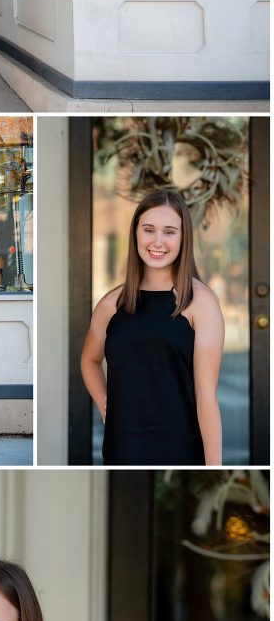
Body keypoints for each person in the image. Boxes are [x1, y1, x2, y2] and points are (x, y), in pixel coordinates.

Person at [80, 188, 225, 465]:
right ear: (136, 233)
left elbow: (206, 395)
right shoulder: (112, 304)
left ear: (183, 238)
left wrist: (213, 465)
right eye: (149, 229)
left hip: (180, 445)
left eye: (169, 232)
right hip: (123, 444)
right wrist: (106, 406)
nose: (158, 241)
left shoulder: (200, 302)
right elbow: (89, 360)